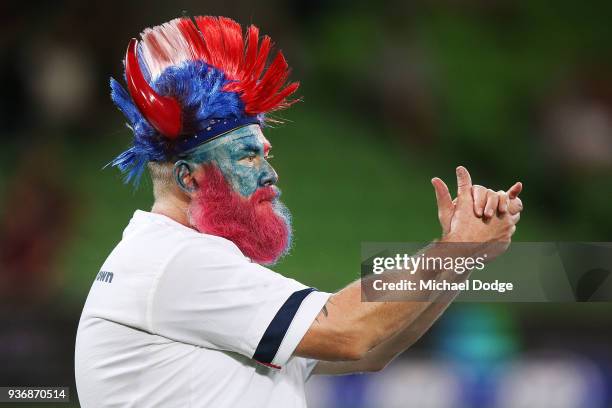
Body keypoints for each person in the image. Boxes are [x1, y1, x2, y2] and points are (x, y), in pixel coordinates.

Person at [74, 15, 523, 407]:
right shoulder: (177, 263)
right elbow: (350, 334)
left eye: (265, 155)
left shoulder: (182, 265)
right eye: (248, 157)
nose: (270, 174)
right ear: (189, 178)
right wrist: (451, 248)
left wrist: (464, 254)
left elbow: (373, 351)